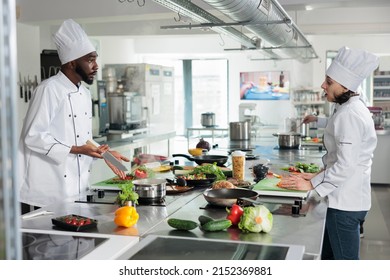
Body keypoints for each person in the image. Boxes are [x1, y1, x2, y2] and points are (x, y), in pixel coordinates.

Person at [18, 19, 129, 213]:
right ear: (71, 62)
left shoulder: (84, 93)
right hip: (47, 193)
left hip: (77, 190)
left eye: (95, 59)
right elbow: (33, 136)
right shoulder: (48, 89)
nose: (95, 66)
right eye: (90, 60)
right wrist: (78, 149)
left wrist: (108, 156)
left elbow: (82, 138)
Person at [279, 46, 379, 259]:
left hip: (345, 205)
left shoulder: (349, 115)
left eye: (329, 82)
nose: (323, 85)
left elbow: (345, 165)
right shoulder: (350, 106)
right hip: (351, 198)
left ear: (346, 86)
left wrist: (312, 183)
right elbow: (340, 129)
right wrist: (316, 175)